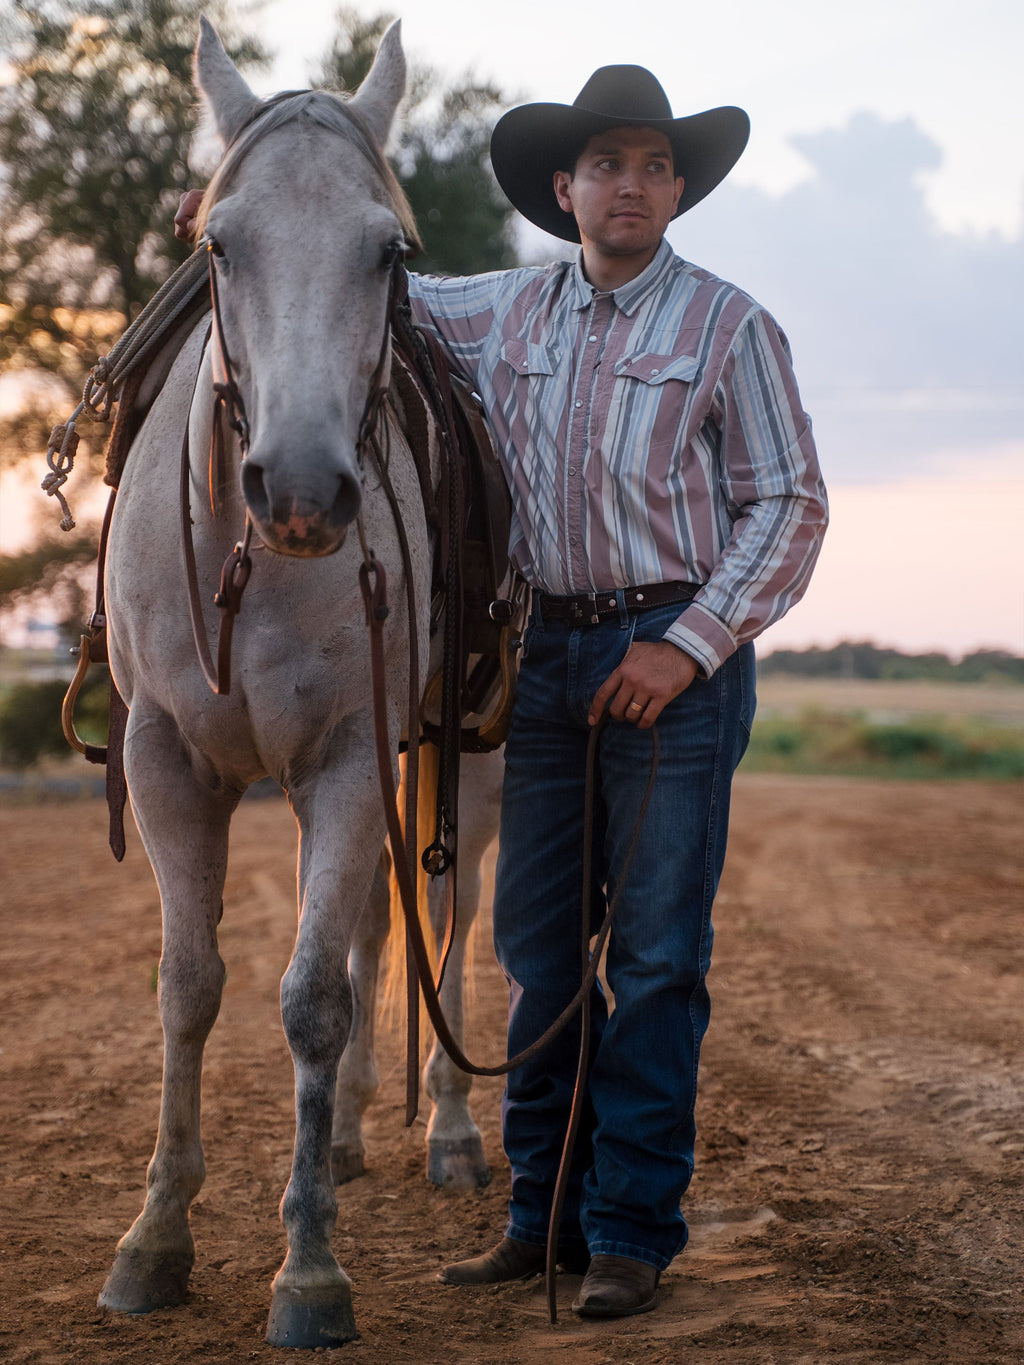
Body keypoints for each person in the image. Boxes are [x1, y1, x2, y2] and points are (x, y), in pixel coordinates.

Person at [175, 63, 827, 1320]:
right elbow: (348, 293)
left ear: (677, 188)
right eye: (603, 165)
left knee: (653, 959)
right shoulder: (500, 315)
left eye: (650, 164)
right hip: (542, 664)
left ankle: (629, 1230)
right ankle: (539, 1219)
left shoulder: (731, 328)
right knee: (532, 956)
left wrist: (686, 644)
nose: (626, 185)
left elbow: (789, 505)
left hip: (669, 669)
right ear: (563, 190)